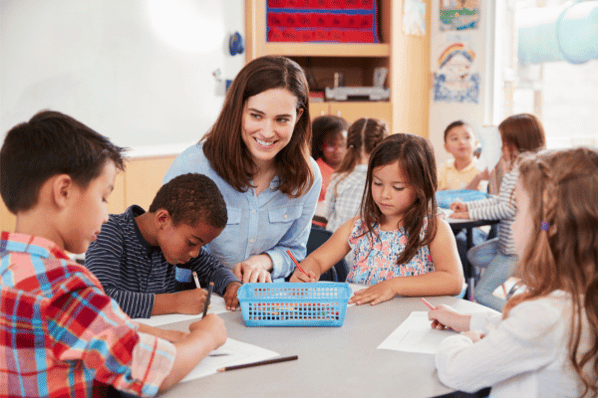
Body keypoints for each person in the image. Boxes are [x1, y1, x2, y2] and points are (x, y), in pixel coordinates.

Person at [0, 111, 226, 397]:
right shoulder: (65, 287)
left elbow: (81, 329)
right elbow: (150, 372)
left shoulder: (10, 265)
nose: (106, 215)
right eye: (103, 197)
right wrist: (207, 338)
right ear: (64, 191)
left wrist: (159, 333)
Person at [429, 147, 598, 398]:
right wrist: (465, 321)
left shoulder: (544, 316)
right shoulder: (576, 300)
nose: (513, 221)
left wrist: (466, 338)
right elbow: (520, 328)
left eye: (518, 210)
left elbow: (455, 370)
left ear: (548, 226)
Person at [163, 55, 321, 283]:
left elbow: (293, 250)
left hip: (263, 301)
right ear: (238, 111)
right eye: (256, 116)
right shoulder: (194, 166)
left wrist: (263, 261)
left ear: (299, 117)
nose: (267, 132)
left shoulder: (308, 176)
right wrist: (226, 282)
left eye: (282, 120)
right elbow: (170, 247)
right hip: (197, 297)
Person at [290, 133, 464, 306]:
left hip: (409, 324)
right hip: (363, 323)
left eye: (398, 187)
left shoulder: (434, 229)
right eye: (377, 183)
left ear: (421, 187)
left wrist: (394, 286)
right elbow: (318, 260)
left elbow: (452, 280)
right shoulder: (359, 226)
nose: (384, 195)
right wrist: (306, 272)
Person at [85, 173, 242, 319]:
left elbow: (212, 269)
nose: (195, 253)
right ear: (162, 219)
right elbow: (99, 299)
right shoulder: (108, 231)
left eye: (202, 246)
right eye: (193, 243)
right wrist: (175, 302)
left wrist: (231, 285)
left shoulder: (171, 246)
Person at [450, 113, 546, 311]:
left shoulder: (519, 174)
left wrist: (469, 214)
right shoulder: (522, 171)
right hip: (506, 246)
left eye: (502, 142)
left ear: (515, 144)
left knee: (482, 293)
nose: (500, 148)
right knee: (474, 255)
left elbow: (505, 208)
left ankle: (516, 314)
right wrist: (469, 208)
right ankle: (520, 272)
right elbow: (499, 202)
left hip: (512, 250)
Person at [325, 118, 388, 233]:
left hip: (337, 247)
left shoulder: (338, 178)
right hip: (369, 247)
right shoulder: (387, 182)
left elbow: (327, 214)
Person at [437, 120, 489, 191]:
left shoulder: (481, 170)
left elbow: (481, 196)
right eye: (455, 138)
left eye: (467, 137)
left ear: (476, 143)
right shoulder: (443, 169)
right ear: (446, 147)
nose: (461, 142)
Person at [311, 114, 349, 202]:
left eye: (342, 145)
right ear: (320, 145)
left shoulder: (352, 167)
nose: (337, 150)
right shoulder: (315, 172)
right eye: (331, 145)